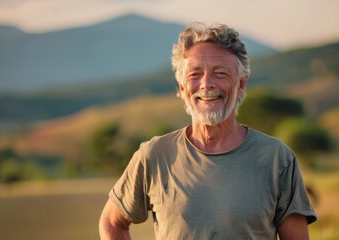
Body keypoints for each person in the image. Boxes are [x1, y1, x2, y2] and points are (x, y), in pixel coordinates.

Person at [99, 22, 317, 240]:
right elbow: (111, 223)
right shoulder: (154, 155)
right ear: (182, 87)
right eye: (195, 74)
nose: (206, 84)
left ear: (241, 84)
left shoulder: (277, 158)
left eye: (220, 73)